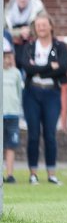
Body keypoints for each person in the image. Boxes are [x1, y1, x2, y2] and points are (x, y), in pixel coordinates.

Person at [16, 12, 67, 184]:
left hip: (51, 93)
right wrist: (48, 67)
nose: (41, 28)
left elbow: (62, 68)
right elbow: (27, 69)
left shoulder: (59, 46)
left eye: (44, 24)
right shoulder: (30, 47)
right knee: (33, 134)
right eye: (38, 25)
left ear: (51, 26)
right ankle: (33, 173)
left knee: (50, 134)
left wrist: (38, 68)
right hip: (32, 92)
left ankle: (51, 173)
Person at [3, 38, 22, 183]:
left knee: (11, 145)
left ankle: (10, 174)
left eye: (8, 57)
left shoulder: (16, 73)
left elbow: (19, 93)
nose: (6, 60)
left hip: (13, 114)